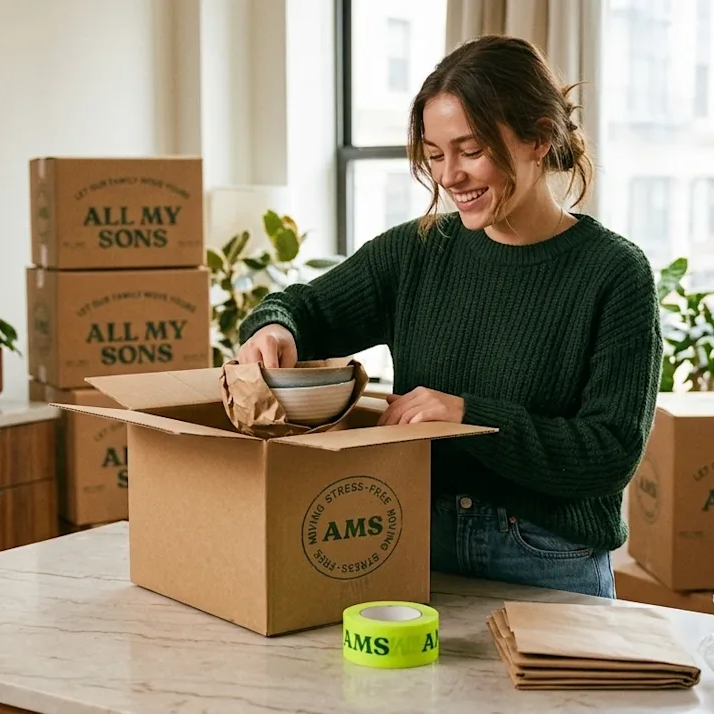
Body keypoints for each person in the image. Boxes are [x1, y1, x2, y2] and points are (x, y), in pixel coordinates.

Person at [235, 35, 662, 599]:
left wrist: (466, 415)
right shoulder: (415, 252)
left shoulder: (615, 273)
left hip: (549, 558)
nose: (449, 176)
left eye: (471, 150)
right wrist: (274, 327)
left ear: (539, 138)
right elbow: (301, 308)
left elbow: (609, 455)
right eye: (435, 155)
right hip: (414, 537)